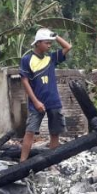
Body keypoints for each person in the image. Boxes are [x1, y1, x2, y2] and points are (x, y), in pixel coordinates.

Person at [19, 28, 73, 162]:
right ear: (37, 43)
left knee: (54, 132)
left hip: (53, 101)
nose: (49, 45)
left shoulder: (51, 58)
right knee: (30, 131)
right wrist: (36, 101)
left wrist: (55, 36)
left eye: (50, 43)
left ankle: (52, 163)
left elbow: (68, 47)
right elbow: (25, 82)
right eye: (46, 42)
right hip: (36, 102)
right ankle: (22, 162)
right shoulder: (27, 59)